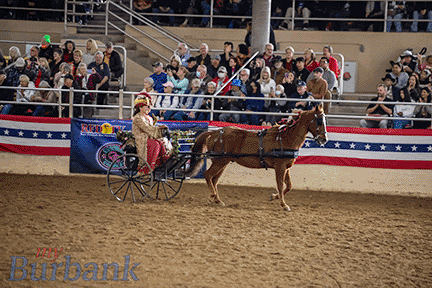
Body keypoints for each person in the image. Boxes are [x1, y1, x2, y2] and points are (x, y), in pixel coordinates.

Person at [132, 93, 170, 172]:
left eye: (149, 106)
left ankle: (164, 162)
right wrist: (159, 129)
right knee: (155, 144)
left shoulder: (149, 117)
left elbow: (151, 128)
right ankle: (148, 168)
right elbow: (147, 128)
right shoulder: (138, 117)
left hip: (149, 136)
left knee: (162, 142)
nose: (149, 108)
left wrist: (159, 128)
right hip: (142, 138)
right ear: (140, 108)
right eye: (147, 106)